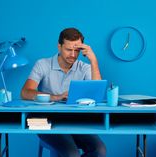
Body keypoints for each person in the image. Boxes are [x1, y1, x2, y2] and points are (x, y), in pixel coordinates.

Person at [21, 27, 106, 157]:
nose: (73, 54)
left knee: (100, 151)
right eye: (68, 49)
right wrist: (56, 97)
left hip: (75, 121)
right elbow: (26, 92)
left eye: (76, 50)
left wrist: (93, 60)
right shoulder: (43, 64)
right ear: (59, 46)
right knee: (71, 154)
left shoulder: (85, 68)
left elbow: (97, 91)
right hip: (47, 121)